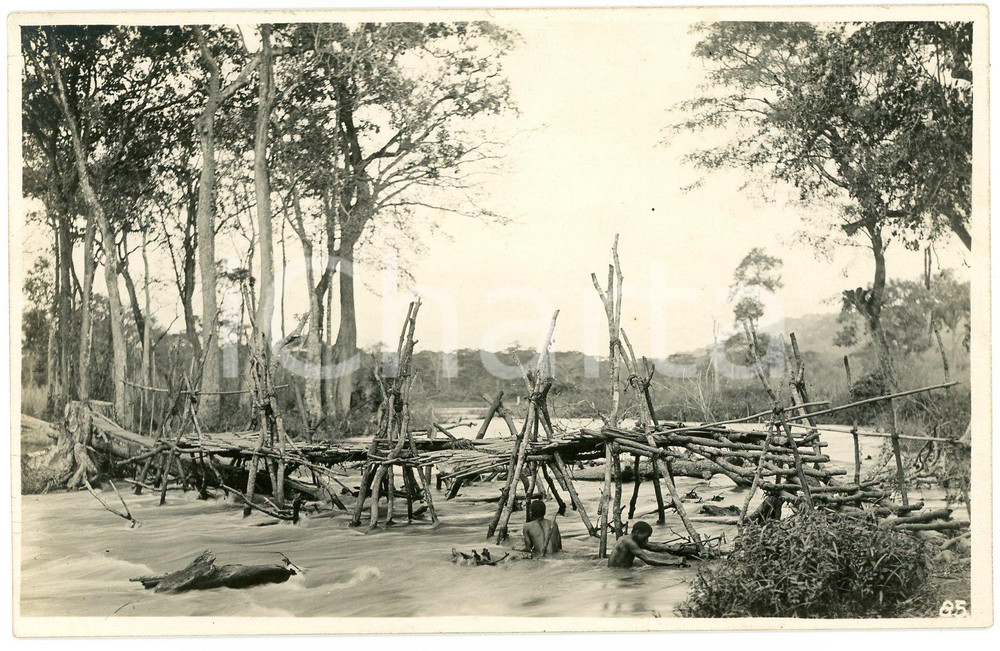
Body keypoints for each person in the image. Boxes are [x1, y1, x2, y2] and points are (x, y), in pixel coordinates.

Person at [608, 521, 686, 568]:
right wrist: (672, 564)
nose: (646, 540)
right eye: (645, 537)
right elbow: (648, 560)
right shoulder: (629, 542)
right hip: (619, 572)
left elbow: (651, 546)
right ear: (637, 532)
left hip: (618, 569)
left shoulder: (628, 538)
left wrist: (671, 548)